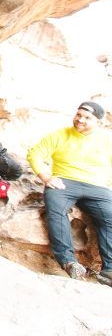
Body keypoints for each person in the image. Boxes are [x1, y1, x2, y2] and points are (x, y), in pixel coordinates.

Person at [27, 101, 112, 283]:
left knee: (110, 217)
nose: (80, 120)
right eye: (78, 115)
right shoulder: (60, 135)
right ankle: (69, 262)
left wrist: (107, 185)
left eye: (87, 118)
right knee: (56, 211)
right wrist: (47, 177)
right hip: (64, 182)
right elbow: (35, 153)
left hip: (97, 187)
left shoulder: (107, 140)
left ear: (99, 122)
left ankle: (109, 271)